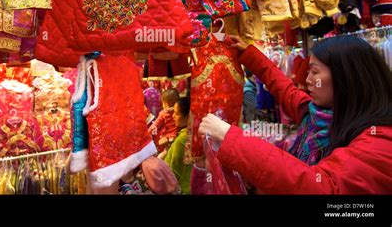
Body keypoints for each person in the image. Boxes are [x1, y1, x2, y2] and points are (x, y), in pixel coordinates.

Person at [199, 35, 392, 194]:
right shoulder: (317, 115)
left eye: (314, 72)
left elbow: (323, 187)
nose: (307, 80)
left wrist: (232, 138)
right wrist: (249, 55)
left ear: (346, 78)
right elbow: (284, 89)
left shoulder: (379, 142)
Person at [164, 97, 193, 195]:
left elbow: (174, 175)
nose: (173, 116)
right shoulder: (193, 134)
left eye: (176, 113)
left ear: (187, 117)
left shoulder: (182, 140)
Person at [148, 88, 180, 157]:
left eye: (162, 103)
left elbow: (156, 124)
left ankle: (159, 164)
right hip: (178, 135)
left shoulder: (163, 113)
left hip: (166, 137)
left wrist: (148, 131)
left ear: (166, 104)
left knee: (164, 153)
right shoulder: (179, 111)